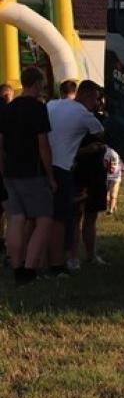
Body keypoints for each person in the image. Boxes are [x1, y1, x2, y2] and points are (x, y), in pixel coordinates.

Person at [0, 67, 56, 284]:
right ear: (37, 83)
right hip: (32, 172)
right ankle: (30, 268)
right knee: (44, 219)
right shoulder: (38, 109)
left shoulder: (7, 108)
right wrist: (50, 175)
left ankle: (16, 266)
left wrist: (2, 168)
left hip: (10, 171)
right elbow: (43, 145)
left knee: (16, 218)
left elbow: (1, 143)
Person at [46, 79, 104, 273]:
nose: (97, 103)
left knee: (51, 217)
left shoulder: (54, 104)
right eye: (96, 99)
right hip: (66, 168)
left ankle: (50, 259)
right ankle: (61, 262)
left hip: (47, 164)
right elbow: (101, 132)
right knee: (65, 218)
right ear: (87, 96)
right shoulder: (84, 115)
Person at [0, 83, 16, 260]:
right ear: (7, 96)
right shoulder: (7, 112)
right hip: (5, 166)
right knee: (11, 210)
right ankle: (9, 248)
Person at [105, 146, 123, 213]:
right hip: (106, 175)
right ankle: (112, 206)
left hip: (116, 176)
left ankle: (111, 210)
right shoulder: (105, 148)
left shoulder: (119, 147)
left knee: (113, 195)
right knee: (106, 195)